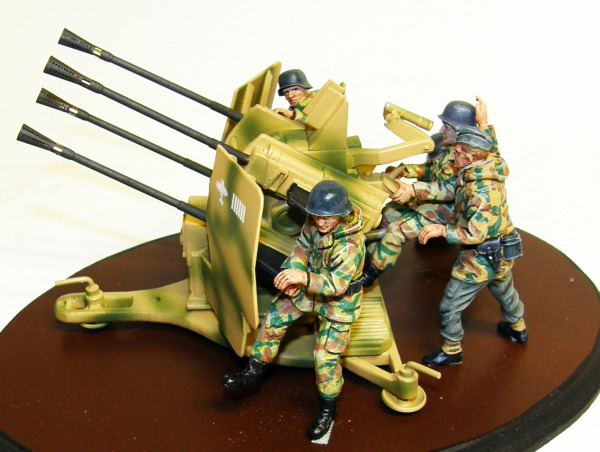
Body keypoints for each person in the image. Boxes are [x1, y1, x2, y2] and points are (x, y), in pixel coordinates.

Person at [222, 180, 366, 441]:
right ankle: (253, 372)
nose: (321, 222)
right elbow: (302, 246)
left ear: (341, 214)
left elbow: (336, 285)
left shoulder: (350, 244)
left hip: (339, 301)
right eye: (317, 216)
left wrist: (302, 278)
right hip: (309, 286)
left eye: (327, 218)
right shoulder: (315, 221)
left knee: (325, 357)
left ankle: (328, 408)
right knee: (275, 316)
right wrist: (293, 271)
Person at [355, 97, 495, 288]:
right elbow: (431, 170)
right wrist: (405, 170)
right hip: (427, 201)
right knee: (386, 215)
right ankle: (367, 258)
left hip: (447, 213)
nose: (441, 131)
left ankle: (369, 275)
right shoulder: (448, 150)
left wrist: (412, 190)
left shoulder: (469, 158)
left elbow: (448, 190)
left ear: (460, 131)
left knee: (396, 232)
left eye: (447, 127)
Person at [418, 126, 527, 366]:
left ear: (469, 156)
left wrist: (442, 230)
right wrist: (485, 125)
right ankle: (518, 326)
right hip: (502, 251)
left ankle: (452, 349)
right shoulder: (492, 164)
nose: (453, 155)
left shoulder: (480, 192)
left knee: (450, 305)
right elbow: (493, 149)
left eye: (457, 152)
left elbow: (476, 234)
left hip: (480, 259)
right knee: (504, 290)